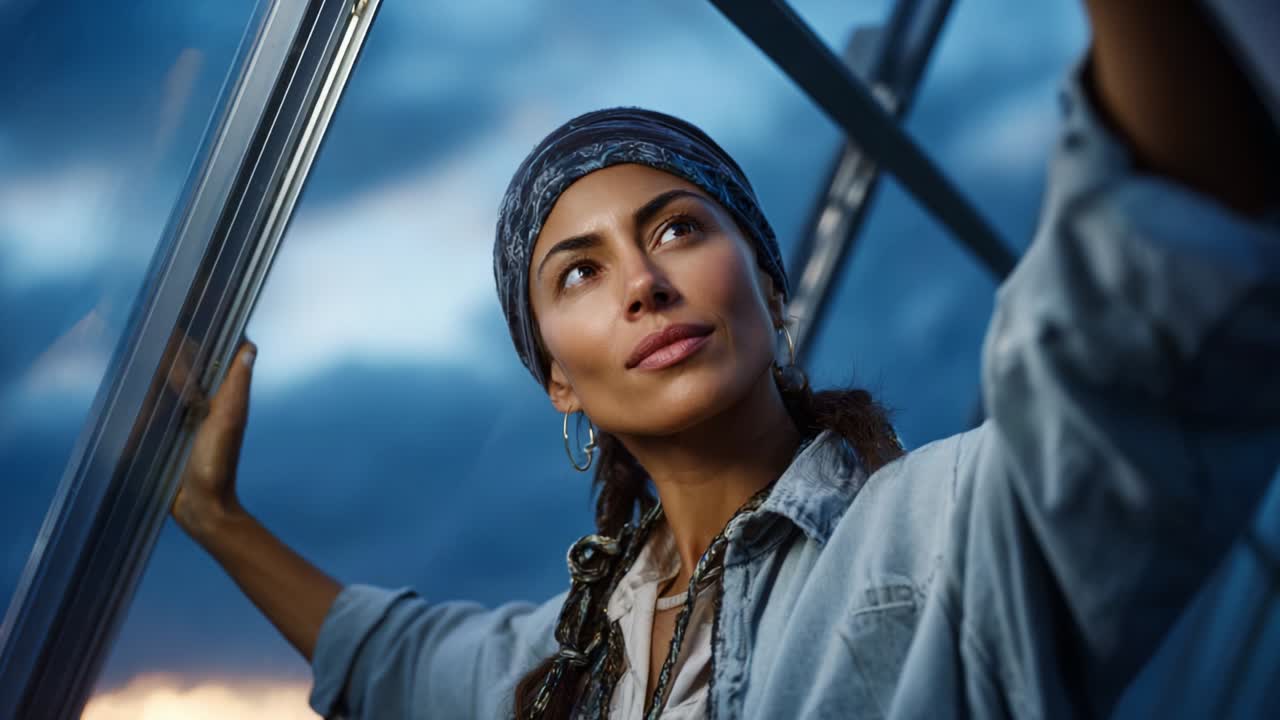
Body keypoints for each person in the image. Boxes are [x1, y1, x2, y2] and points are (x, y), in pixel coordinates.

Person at [170, 1, 1279, 718]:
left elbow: (1154, 309)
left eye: (676, 229)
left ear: (769, 286)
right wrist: (212, 515)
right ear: (557, 378)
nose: (642, 282)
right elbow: (392, 657)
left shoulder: (929, 538)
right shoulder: (567, 650)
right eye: (577, 272)